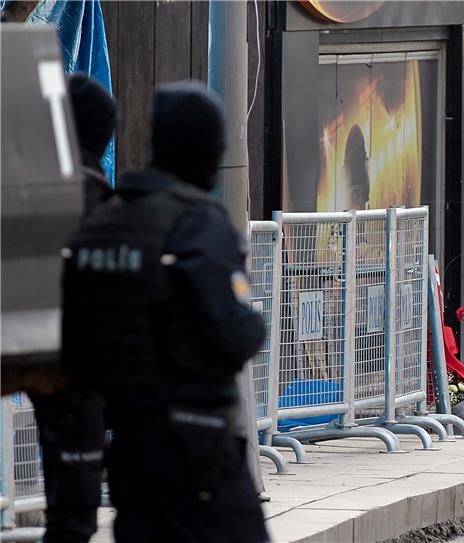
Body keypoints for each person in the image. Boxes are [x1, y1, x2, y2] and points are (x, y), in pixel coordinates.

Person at [60, 80, 270, 542]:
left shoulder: (100, 225)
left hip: (129, 453)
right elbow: (232, 333)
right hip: (200, 453)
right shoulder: (197, 222)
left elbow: (75, 342)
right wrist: (254, 323)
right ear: (208, 150)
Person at [29, 72, 116, 543]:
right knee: (73, 513)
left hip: (45, 364)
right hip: (77, 374)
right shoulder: (96, 203)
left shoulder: (33, 194)